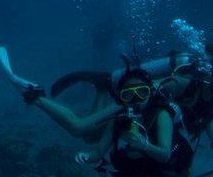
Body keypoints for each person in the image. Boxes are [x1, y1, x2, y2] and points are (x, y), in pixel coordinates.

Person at [17, 55, 194, 176]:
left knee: (81, 129)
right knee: (84, 134)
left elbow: (164, 155)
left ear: (150, 93)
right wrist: (88, 156)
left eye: (141, 92)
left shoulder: (161, 114)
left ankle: (39, 97)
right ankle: (39, 97)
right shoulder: (119, 118)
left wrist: (144, 145)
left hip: (166, 172)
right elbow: (98, 151)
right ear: (121, 98)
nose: (135, 99)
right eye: (128, 95)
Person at [158, 47, 213, 162]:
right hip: (158, 133)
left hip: (177, 139)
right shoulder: (186, 83)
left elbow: (208, 118)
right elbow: (153, 88)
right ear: (210, 69)